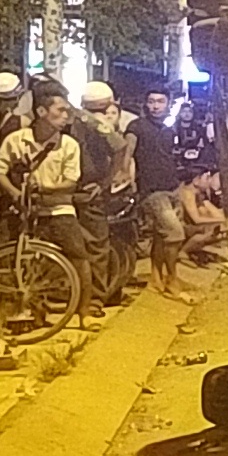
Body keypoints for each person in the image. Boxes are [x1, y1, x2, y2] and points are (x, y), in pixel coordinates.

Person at [0, 95, 100, 322]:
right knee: (20, 261)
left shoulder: (68, 144)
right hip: (24, 210)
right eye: (61, 110)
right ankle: (29, 312)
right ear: (42, 112)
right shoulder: (16, 140)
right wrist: (15, 193)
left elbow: (70, 182)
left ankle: (84, 313)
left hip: (58, 209)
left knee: (79, 257)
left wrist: (42, 188)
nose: (66, 116)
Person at [78, 81, 137, 304]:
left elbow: (120, 148)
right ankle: (94, 297)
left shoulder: (85, 120)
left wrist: (104, 183)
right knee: (95, 245)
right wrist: (106, 182)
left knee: (95, 244)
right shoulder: (98, 123)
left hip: (87, 190)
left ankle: (95, 297)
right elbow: (120, 149)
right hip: (84, 189)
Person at [128, 87, 190, 299]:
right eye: (152, 101)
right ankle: (172, 278)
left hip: (171, 187)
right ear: (146, 104)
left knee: (160, 237)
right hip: (152, 191)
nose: (155, 106)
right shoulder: (136, 127)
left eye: (160, 101)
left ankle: (155, 279)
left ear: (168, 104)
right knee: (175, 234)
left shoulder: (168, 130)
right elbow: (127, 155)